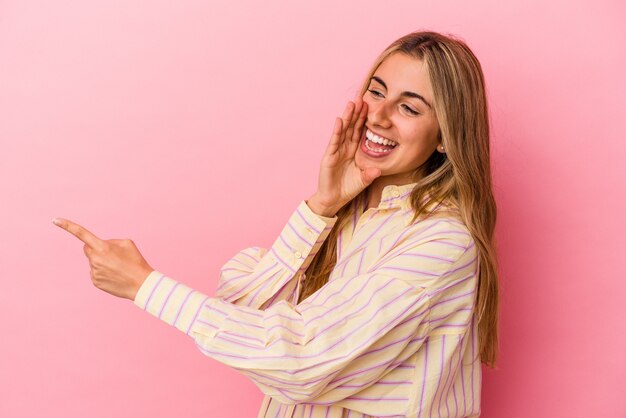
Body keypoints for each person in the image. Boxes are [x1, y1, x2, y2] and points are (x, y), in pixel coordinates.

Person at [53, 30, 499, 418]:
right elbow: (241, 308)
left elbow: (298, 358)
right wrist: (320, 207)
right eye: (377, 91)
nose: (378, 116)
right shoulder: (347, 214)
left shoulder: (442, 242)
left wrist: (144, 286)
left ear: (445, 136)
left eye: (410, 107)